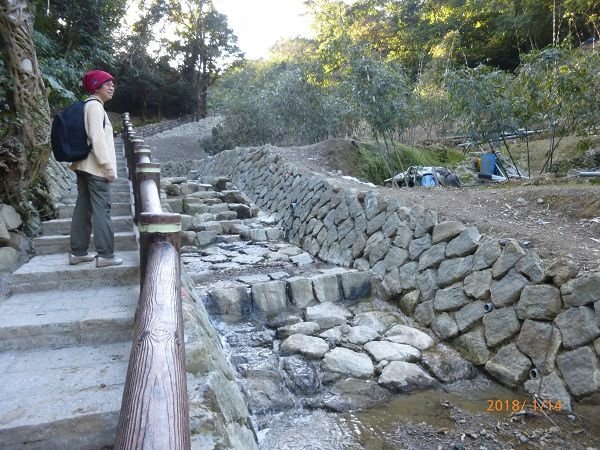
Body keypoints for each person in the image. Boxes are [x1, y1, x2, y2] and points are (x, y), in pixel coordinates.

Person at [68, 70, 123, 268]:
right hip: (95, 167)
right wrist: (107, 166)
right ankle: (106, 255)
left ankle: (78, 252)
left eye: (112, 84)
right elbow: (96, 138)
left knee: (83, 208)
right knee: (102, 209)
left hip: (84, 165)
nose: (111, 87)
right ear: (95, 87)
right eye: (106, 84)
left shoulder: (88, 105)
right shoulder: (95, 107)